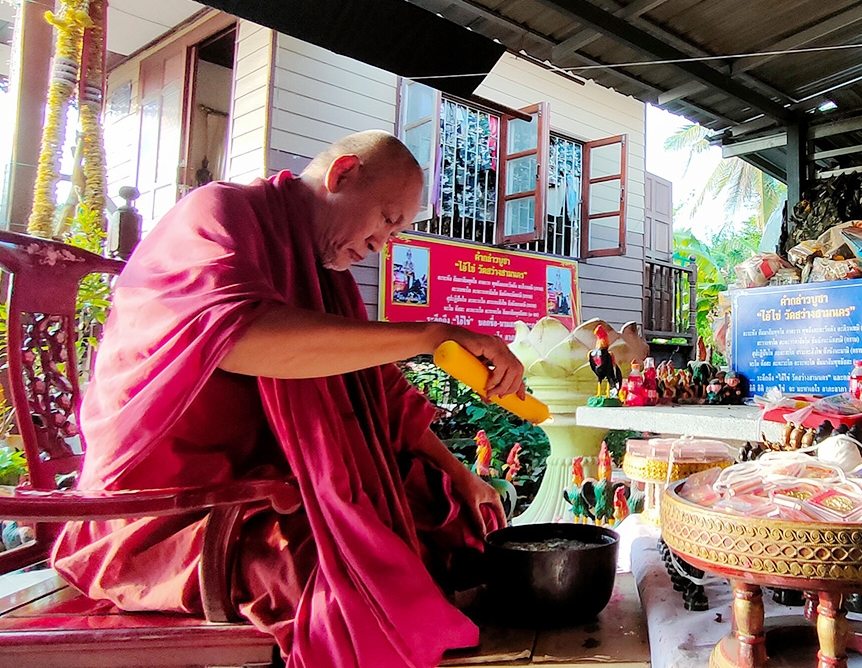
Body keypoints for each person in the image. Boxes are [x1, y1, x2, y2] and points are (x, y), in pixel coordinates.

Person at [52, 130, 527, 667]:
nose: (383, 244)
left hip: (277, 488)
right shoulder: (218, 211)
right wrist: (428, 336)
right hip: (179, 506)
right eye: (387, 219)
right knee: (348, 585)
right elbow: (240, 338)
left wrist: (463, 475)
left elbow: (377, 396)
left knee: (458, 523)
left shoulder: (324, 274)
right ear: (342, 174)